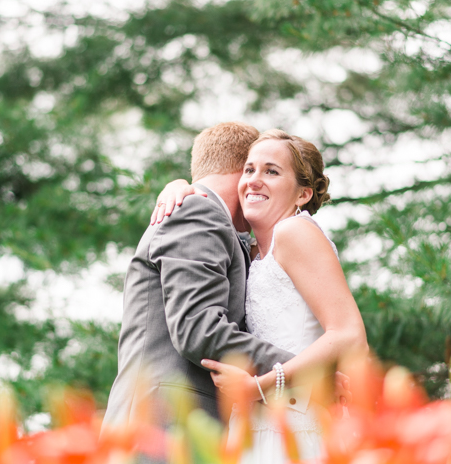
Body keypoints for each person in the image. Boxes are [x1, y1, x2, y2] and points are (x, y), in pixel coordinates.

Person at [155, 129, 367, 463]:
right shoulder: (251, 252)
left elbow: (350, 335)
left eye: (271, 171)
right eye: (249, 170)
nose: (254, 180)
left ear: (302, 194)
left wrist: (263, 384)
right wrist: (180, 186)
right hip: (256, 423)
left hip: (296, 422)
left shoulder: (295, 231)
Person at [102, 123, 305, 437]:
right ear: (245, 172)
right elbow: (199, 329)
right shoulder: (199, 211)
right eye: (254, 170)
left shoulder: (215, 221)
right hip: (161, 428)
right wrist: (303, 372)